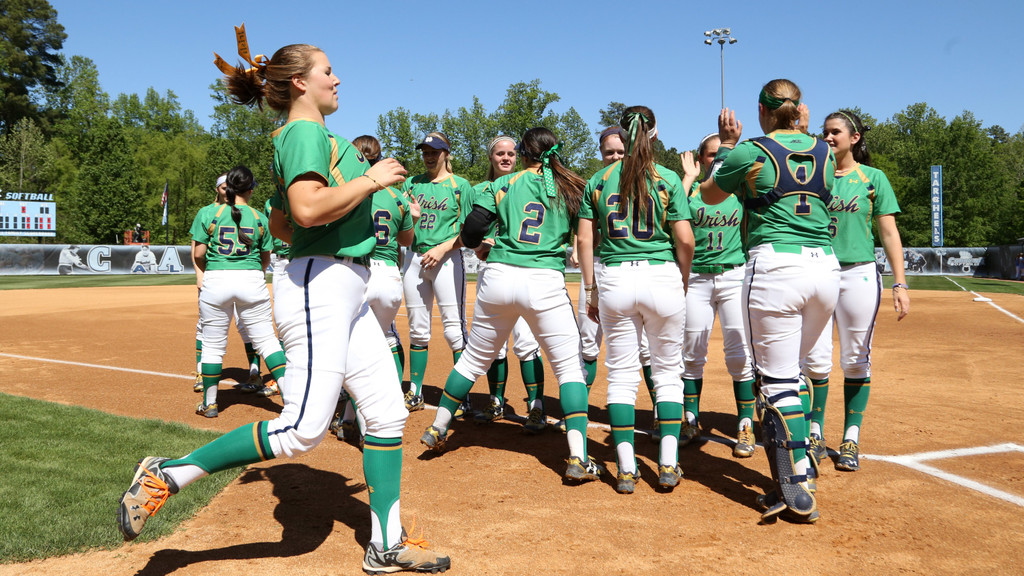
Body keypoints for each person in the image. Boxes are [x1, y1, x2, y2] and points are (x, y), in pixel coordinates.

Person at [118, 33, 450, 574]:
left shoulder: (312, 135)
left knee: (387, 414)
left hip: (344, 285)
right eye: (327, 71)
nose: (337, 78)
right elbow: (306, 208)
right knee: (301, 430)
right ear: (301, 82)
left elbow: (280, 220)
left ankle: (387, 543)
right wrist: (369, 180)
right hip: (322, 286)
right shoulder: (302, 130)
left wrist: (330, 212)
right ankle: (169, 472)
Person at [419, 126, 602, 483]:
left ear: (523, 152)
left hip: (499, 276)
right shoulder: (572, 185)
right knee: (569, 368)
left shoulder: (503, 184)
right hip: (544, 280)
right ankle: (578, 457)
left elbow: (471, 232)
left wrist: (484, 244)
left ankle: (439, 428)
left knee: (473, 359)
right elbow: (587, 235)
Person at [700, 78, 839, 523]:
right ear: (800, 109)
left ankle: (797, 482)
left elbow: (709, 193)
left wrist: (725, 146)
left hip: (776, 266)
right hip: (826, 269)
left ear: (761, 111)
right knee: (795, 372)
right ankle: (805, 453)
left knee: (777, 380)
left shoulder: (752, 149)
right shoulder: (826, 152)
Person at [578, 106, 697, 494]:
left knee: (622, 374)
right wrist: (680, 278)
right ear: (654, 133)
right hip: (660, 273)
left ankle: (626, 470)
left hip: (615, 277)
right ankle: (667, 463)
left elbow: (585, 241)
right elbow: (685, 240)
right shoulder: (665, 178)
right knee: (667, 373)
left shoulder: (598, 179)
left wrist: (592, 288)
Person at [802, 109, 909, 472]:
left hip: (859, 273)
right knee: (815, 359)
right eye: (824, 132)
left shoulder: (872, 178)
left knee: (854, 358)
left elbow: (889, 232)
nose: (828, 138)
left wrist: (900, 282)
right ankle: (814, 431)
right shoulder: (814, 176)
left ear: (854, 138)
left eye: (835, 133)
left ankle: (850, 437)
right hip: (818, 271)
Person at [329, 134, 420, 443]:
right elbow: (407, 241)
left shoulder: (350, 191)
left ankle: (356, 417)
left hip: (361, 271)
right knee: (388, 338)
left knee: (355, 346)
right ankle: (376, 406)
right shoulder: (396, 196)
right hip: (391, 276)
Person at [679, 133, 757, 458]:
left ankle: (745, 425)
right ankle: (690, 420)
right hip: (697, 277)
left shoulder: (740, 191)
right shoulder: (693, 192)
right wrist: (688, 177)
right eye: (710, 155)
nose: (716, 160)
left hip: (733, 275)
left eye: (720, 155)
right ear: (701, 160)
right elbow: (670, 212)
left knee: (739, 355)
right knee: (692, 352)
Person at [190, 165, 287, 419]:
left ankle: (210, 404)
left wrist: (208, 269)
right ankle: (291, 399)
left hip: (216, 279)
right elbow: (266, 257)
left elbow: (198, 254)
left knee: (212, 344)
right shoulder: (258, 217)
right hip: (251, 279)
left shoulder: (208, 212)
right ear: (251, 188)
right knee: (267, 340)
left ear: (227, 188)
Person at [470, 135, 548, 431]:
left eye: (511, 153)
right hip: (492, 274)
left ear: (519, 156)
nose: (506, 158)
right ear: (490, 157)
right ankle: (495, 401)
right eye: (500, 153)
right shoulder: (481, 190)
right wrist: (480, 242)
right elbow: (471, 230)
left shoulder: (532, 185)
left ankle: (536, 407)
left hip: (527, 272)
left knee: (527, 343)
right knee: (494, 345)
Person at [401, 132, 473, 413]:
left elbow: (470, 231)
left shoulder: (461, 186)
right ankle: (415, 392)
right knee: (418, 329)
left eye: (435, 151)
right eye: (426, 152)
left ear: (447, 153)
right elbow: (402, 224)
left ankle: (460, 396)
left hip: (447, 260)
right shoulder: (411, 184)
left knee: (454, 331)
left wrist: (443, 248)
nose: (429, 156)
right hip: (415, 258)